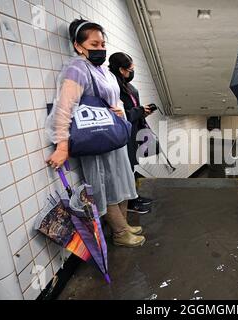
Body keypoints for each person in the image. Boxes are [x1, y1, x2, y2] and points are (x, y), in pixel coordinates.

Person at [45, 19, 146, 247]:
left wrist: (119, 109)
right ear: (79, 46)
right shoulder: (77, 69)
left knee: (121, 181)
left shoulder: (102, 71)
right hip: (95, 138)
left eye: (103, 44)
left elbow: (114, 99)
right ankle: (120, 233)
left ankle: (124, 225)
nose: (100, 48)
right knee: (107, 184)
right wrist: (62, 145)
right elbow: (64, 106)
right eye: (94, 43)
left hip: (113, 135)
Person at [108, 52, 155, 215]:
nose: (132, 72)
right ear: (121, 69)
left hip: (133, 130)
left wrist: (142, 112)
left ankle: (133, 197)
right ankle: (129, 202)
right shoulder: (113, 86)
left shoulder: (125, 85)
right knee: (126, 167)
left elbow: (130, 110)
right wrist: (139, 111)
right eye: (130, 69)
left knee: (132, 165)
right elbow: (121, 113)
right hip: (123, 133)